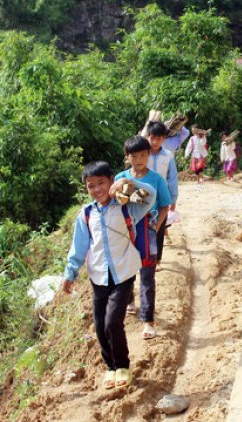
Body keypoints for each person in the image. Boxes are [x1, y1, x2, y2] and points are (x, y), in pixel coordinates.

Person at [61, 161, 156, 390]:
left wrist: (129, 183)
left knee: (113, 322)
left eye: (101, 183)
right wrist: (70, 273)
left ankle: (123, 365)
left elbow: (150, 196)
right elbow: (79, 246)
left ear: (111, 181)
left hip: (123, 273)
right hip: (98, 276)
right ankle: (111, 367)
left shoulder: (126, 206)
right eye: (90, 186)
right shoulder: (86, 214)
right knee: (100, 324)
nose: (97, 189)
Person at [115, 136, 173, 340]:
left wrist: (156, 227)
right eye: (134, 155)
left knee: (147, 276)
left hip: (147, 231)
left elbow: (164, 204)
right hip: (126, 232)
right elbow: (117, 204)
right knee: (126, 273)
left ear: (149, 155)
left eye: (143, 155)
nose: (139, 159)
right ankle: (130, 300)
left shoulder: (156, 179)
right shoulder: (120, 177)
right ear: (127, 157)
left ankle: (148, 321)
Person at [145, 121, 178, 272]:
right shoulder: (143, 153)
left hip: (161, 198)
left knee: (159, 228)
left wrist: (173, 199)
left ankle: (156, 260)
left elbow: (172, 178)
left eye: (158, 138)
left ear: (163, 139)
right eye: (152, 138)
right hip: (144, 197)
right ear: (148, 137)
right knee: (144, 227)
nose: (155, 141)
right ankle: (144, 257)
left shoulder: (168, 156)